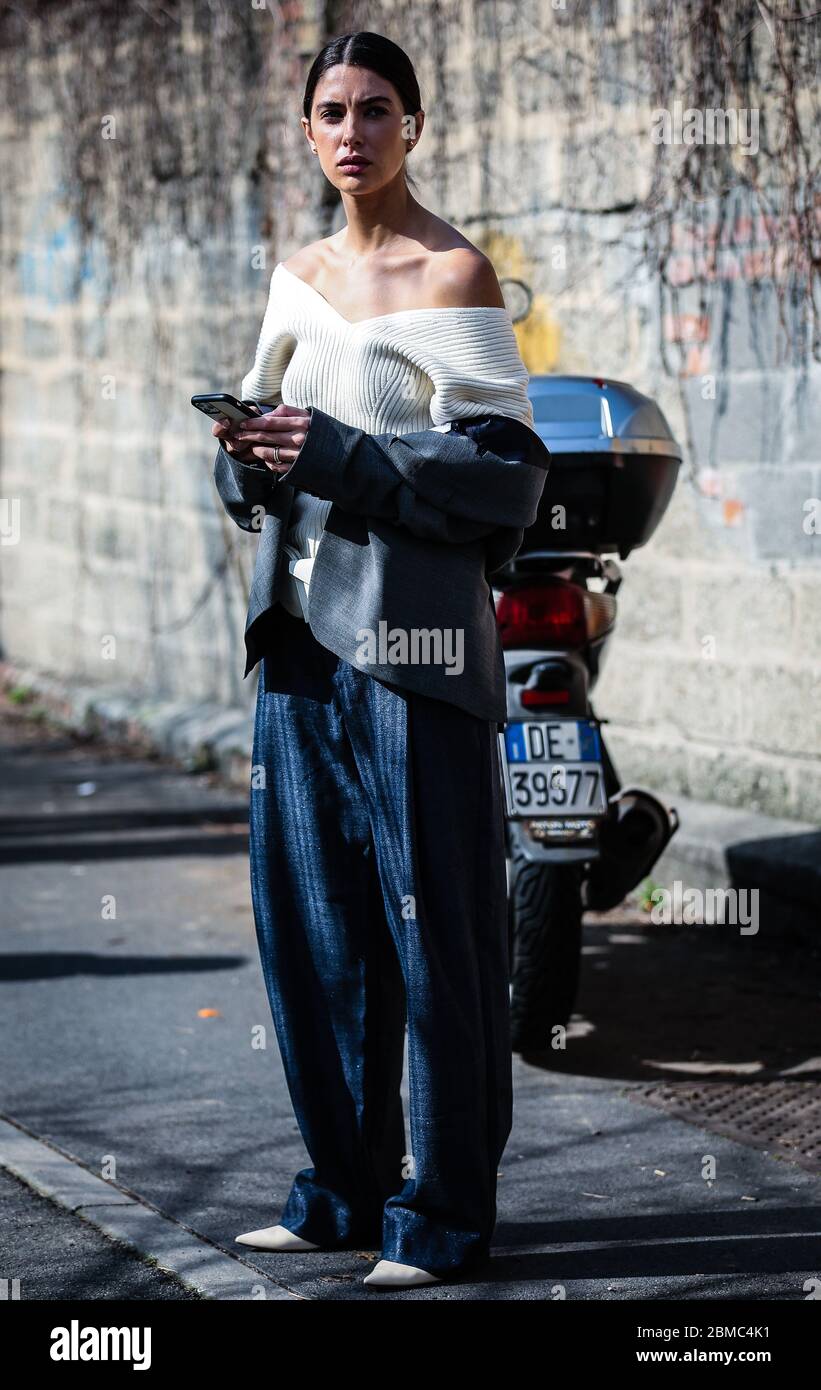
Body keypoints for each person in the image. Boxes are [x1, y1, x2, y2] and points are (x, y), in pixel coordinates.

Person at [211, 30, 549, 1289]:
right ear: (307, 132)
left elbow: (509, 480)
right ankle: (342, 1195)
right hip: (297, 650)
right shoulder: (295, 277)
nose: (351, 131)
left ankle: (443, 1218)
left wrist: (339, 456)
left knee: (437, 946)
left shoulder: (451, 276)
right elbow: (265, 416)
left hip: (410, 655)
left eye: (375, 110)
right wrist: (240, 458)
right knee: (315, 938)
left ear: (414, 126)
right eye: (330, 111)